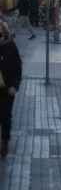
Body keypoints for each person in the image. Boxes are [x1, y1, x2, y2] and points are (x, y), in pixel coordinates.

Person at [0, 21, 22, 158]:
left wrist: (14, 86)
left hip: (7, 89)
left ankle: (4, 142)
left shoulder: (10, 46)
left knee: (5, 116)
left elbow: (17, 68)